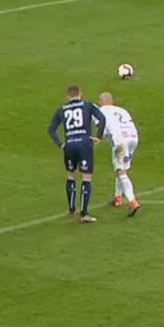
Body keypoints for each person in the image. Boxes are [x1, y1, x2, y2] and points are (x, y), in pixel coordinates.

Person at [49, 85, 107, 224]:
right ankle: (84, 213)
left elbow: (51, 129)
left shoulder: (62, 109)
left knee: (71, 174)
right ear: (80, 93)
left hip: (69, 145)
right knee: (86, 177)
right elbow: (102, 119)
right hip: (84, 144)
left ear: (68, 96)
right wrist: (98, 136)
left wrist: (60, 144)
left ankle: (71, 208)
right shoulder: (87, 105)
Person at [99, 93, 140, 216]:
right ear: (112, 101)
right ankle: (118, 197)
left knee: (120, 171)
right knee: (123, 168)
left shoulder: (100, 111)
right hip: (133, 138)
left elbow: (102, 129)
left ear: (101, 102)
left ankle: (133, 201)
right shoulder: (122, 110)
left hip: (120, 141)